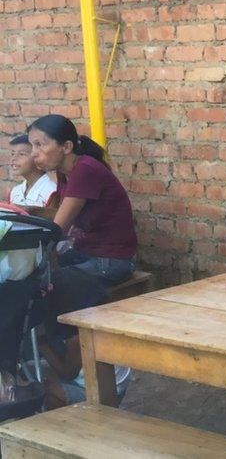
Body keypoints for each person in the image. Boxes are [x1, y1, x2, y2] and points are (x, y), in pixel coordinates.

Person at [26, 114, 137, 407]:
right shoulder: (66, 173)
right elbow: (57, 218)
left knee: (52, 281)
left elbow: (58, 229)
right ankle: (52, 347)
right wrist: (23, 212)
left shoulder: (85, 169)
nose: (34, 153)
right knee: (44, 271)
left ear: (66, 146)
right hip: (88, 250)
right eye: (31, 146)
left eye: (40, 145)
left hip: (112, 259)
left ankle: (59, 352)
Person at [0, 134, 59, 376]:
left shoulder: (51, 190)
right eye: (12, 154)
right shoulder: (15, 192)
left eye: (21, 154)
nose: (13, 159)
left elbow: (54, 234)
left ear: (36, 159)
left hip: (38, 262)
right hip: (16, 260)